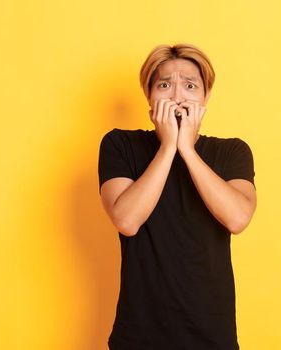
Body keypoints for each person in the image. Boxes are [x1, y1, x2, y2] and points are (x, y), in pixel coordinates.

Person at [97, 43, 257, 349]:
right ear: (149, 96)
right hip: (139, 334)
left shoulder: (232, 151)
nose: (177, 96)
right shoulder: (120, 145)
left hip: (212, 335)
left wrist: (186, 149)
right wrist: (168, 147)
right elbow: (127, 220)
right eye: (165, 85)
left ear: (206, 96)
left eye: (190, 85)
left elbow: (238, 218)